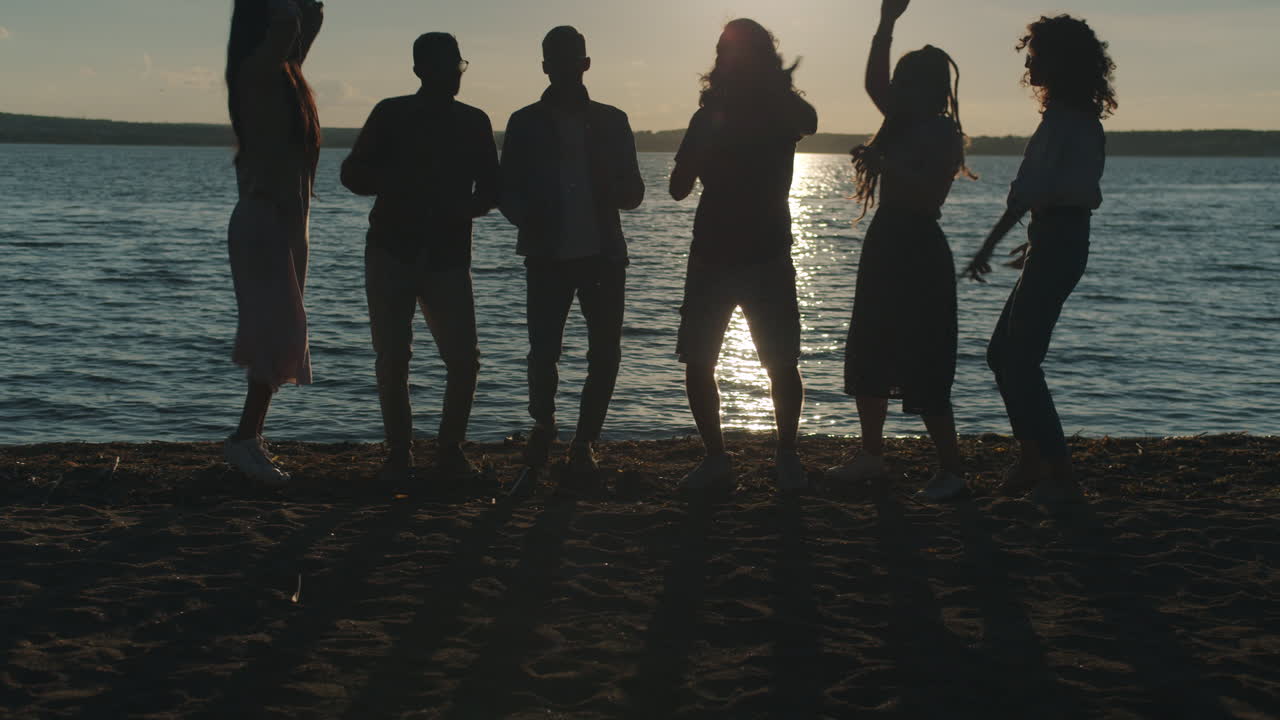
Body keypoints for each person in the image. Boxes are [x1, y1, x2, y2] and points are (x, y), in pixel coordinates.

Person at [961, 14, 1117, 504]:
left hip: (1060, 244)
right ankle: (1032, 458)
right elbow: (1062, 193)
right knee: (1001, 355)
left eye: (1035, 56)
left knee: (1020, 361)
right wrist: (1040, 235)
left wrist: (988, 246)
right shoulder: (1080, 119)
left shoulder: (1065, 122)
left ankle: (1059, 474)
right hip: (1059, 241)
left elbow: (1026, 193)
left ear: (1057, 62)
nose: (1028, 65)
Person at [824, 0, 975, 501]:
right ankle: (871, 455)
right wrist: (885, 24)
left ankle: (950, 468)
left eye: (907, 82)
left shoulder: (942, 131)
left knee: (926, 355)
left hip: (918, 243)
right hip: (888, 238)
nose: (897, 91)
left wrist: (885, 162)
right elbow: (873, 83)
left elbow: (928, 189)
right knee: (871, 345)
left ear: (926, 88)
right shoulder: (905, 122)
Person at [340, 33, 499, 482]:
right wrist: (398, 183)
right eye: (448, 66)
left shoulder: (473, 121)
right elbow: (351, 173)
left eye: (457, 66)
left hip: (445, 255)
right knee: (394, 355)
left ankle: (447, 451)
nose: (454, 74)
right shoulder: (391, 114)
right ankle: (400, 453)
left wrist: (461, 209)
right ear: (420, 70)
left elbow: (492, 188)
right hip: (393, 250)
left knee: (462, 360)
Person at [669, 19, 818, 490]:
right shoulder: (773, 113)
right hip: (750, 250)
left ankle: (729, 458)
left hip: (733, 251)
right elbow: (677, 187)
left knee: (707, 359)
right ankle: (777, 456)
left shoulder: (745, 114)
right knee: (768, 360)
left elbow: (677, 189)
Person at [499, 26, 645, 474]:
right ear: (546, 66)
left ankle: (582, 442)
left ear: (585, 64)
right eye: (556, 61)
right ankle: (545, 428)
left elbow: (634, 193)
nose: (564, 68)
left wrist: (607, 183)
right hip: (547, 256)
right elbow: (506, 192)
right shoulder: (524, 122)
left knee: (603, 353)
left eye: (570, 60)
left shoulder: (611, 120)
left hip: (603, 255)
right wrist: (530, 219)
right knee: (544, 352)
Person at [223, 0, 323, 487]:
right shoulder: (256, 69)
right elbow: (288, 25)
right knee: (275, 334)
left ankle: (250, 436)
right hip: (266, 222)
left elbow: (307, 25)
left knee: (281, 335)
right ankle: (244, 440)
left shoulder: (285, 76)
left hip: (283, 223)